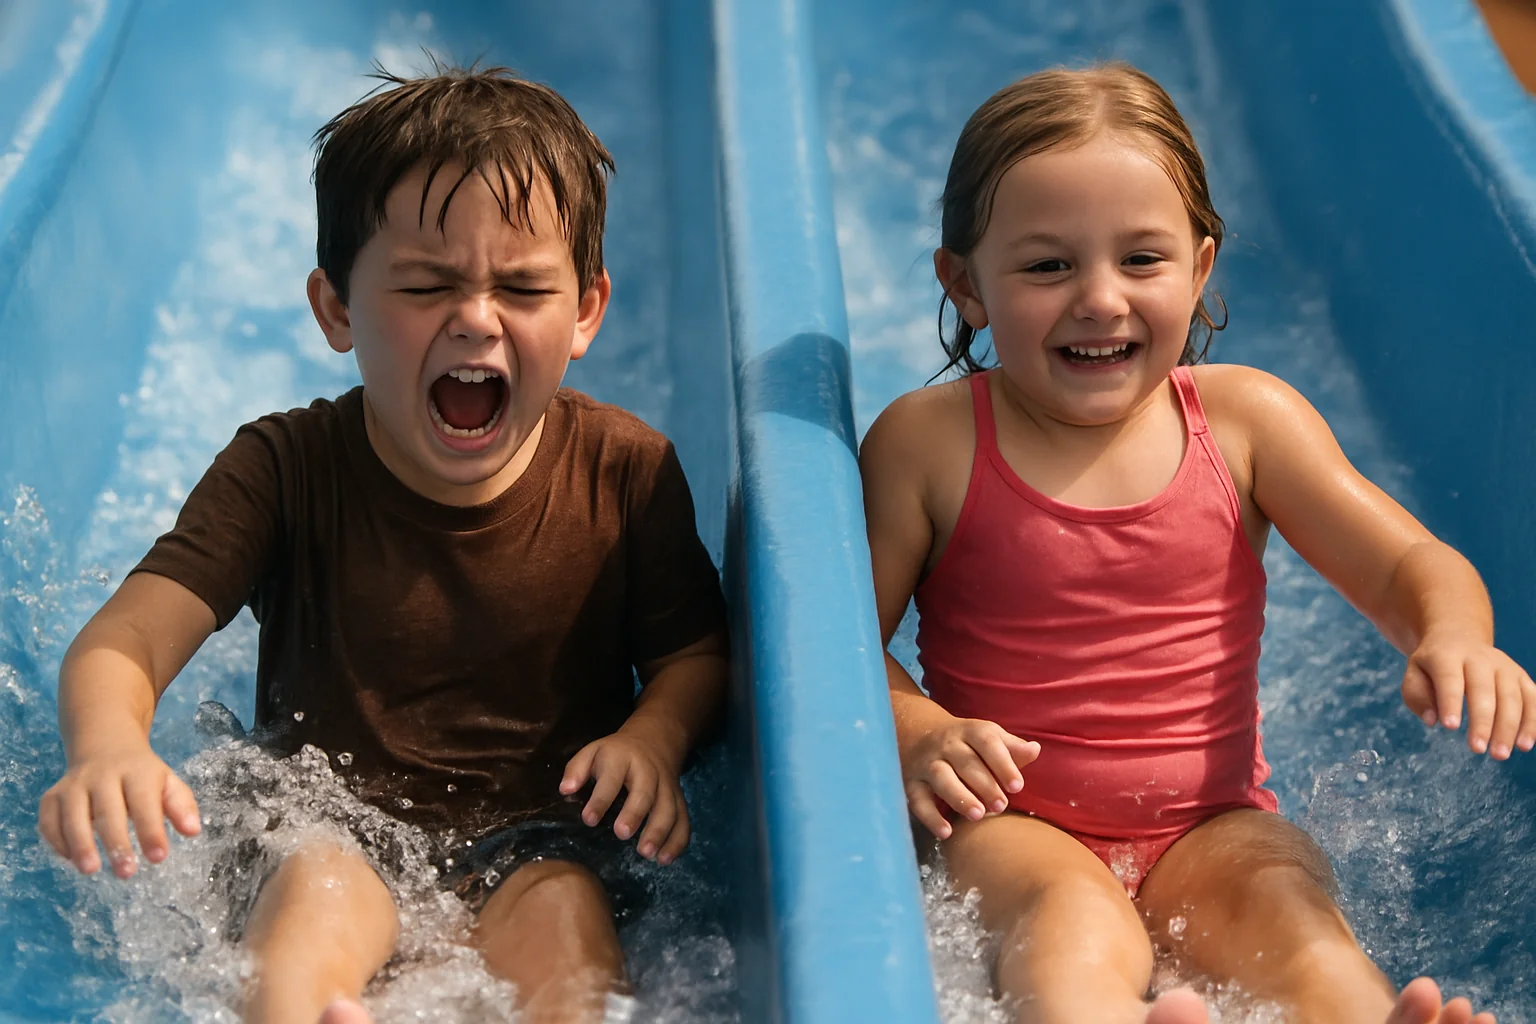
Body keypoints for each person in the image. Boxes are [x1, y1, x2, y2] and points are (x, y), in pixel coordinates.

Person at [35, 65, 729, 1024]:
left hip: (536, 847)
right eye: (425, 283)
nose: (476, 317)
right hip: (327, 828)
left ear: (585, 312)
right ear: (336, 309)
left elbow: (695, 653)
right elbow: (127, 639)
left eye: (523, 286)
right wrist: (108, 745)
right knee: (316, 899)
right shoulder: (284, 469)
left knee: (571, 928)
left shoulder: (626, 474)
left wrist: (654, 737)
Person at [858, 62, 1531, 1024]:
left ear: (1201, 266)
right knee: (1067, 919)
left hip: (1211, 821)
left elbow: (1406, 562)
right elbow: (839, 644)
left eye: (1142, 260)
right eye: (1048, 265)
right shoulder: (930, 443)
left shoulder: (1249, 422)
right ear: (963, 284)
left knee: (1288, 909)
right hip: (1016, 822)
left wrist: (1452, 634)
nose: (1100, 299)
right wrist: (919, 731)